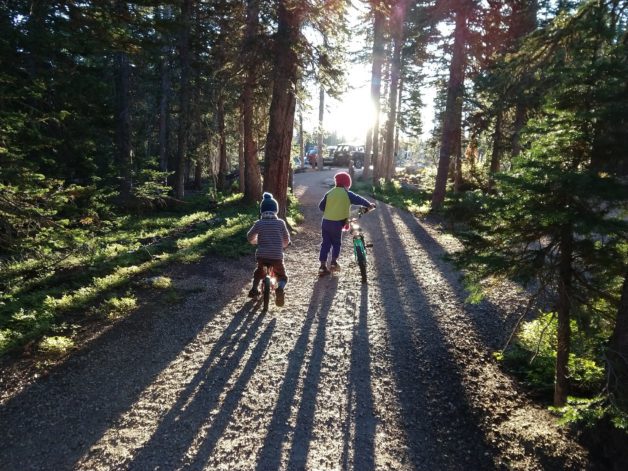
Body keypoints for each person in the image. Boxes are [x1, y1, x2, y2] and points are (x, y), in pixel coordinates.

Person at [318, 171, 375, 276]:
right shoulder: (347, 194)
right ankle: (334, 263)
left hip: (326, 222)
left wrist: (331, 208)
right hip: (337, 223)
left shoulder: (329, 193)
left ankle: (322, 266)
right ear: (346, 184)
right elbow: (359, 199)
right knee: (336, 243)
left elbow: (321, 207)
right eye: (348, 185)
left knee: (325, 244)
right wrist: (369, 204)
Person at [247, 192, 291, 306]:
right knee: (282, 276)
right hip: (276, 256)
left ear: (262, 211)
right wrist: (284, 245)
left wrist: (255, 241)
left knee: (258, 272)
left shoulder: (259, 223)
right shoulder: (280, 223)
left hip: (262, 255)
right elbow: (286, 239)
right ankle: (280, 288)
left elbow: (249, 236)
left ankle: (254, 288)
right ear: (275, 210)